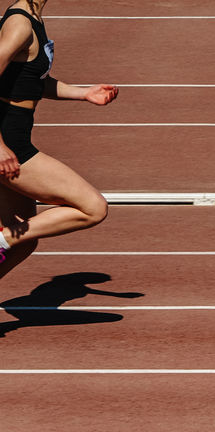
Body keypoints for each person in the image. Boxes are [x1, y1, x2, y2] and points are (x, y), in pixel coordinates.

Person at [0, 0, 118, 279]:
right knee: (93, 207)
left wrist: (84, 93)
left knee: (23, 239)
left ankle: (5, 239)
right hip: (9, 143)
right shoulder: (20, 23)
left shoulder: (33, 19)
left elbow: (32, 80)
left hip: (14, 138)